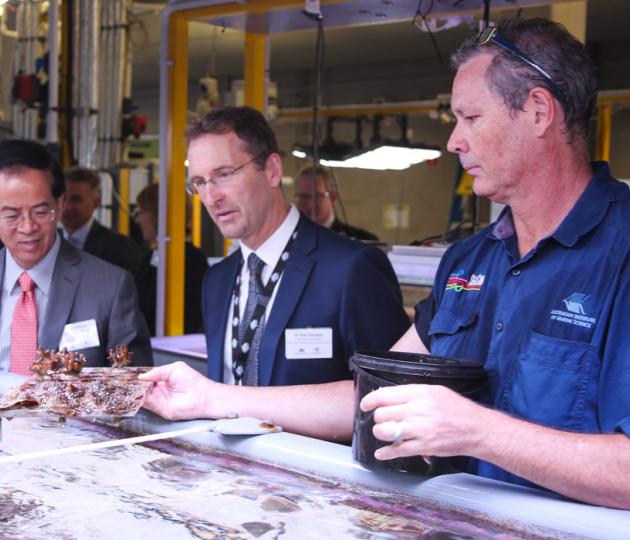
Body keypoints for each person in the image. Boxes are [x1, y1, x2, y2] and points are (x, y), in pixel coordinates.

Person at [141, 18, 630, 509]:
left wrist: (478, 431)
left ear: (539, 111)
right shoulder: (469, 262)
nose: (454, 141)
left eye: (470, 118)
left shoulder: (620, 256)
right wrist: (211, 397)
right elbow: (368, 396)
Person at [141, 105, 408, 435]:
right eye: (199, 182)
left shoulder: (352, 269)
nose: (211, 197)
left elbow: (395, 396)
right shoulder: (217, 281)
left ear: (272, 170)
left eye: (224, 174)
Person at [0, 140, 152, 371]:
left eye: (41, 212)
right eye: (11, 216)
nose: (28, 227)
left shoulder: (110, 287)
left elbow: (135, 384)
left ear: (60, 205)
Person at [134, 182, 208, 335]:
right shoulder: (150, 256)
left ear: (157, 214)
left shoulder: (192, 260)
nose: (137, 220)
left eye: (141, 212)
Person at [61, 167, 142, 277]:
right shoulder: (47, 243)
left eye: (76, 200)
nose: (67, 207)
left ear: (96, 203)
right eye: (63, 199)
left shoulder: (119, 248)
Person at [293, 165, 379, 241]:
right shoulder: (290, 239)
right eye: (303, 196)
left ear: (333, 197)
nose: (310, 204)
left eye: (317, 196)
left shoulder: (364, 241)